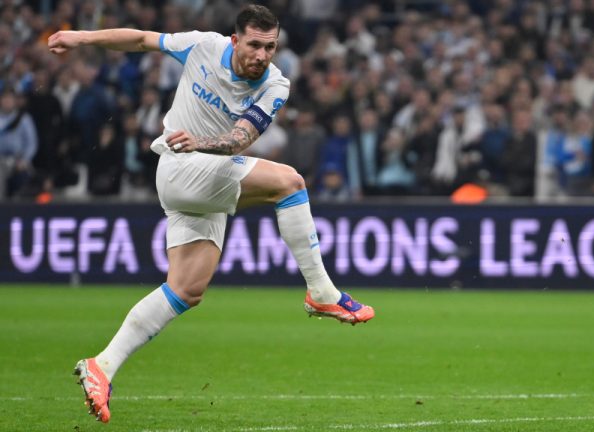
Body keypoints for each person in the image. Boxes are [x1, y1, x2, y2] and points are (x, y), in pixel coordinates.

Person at [48, 4, 374, 424]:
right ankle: (322, 293)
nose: (261, 55)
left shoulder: (275, 84)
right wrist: (81, 37)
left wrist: (200, 140)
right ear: (236, 40)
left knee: (185, 290)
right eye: (254, 45)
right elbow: (143, 39)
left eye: (269, 47)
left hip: (206, 172)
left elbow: (241, 139)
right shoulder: (202, 46)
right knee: (290, 183)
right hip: (177, 168)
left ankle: (102, 366)